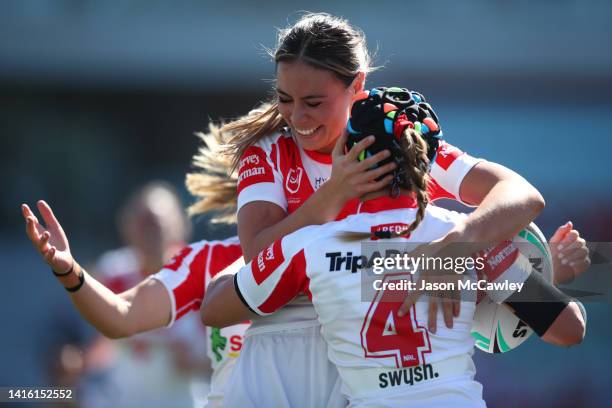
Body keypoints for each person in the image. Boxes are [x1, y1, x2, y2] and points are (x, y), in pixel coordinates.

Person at [187, 12, 587, 406]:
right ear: (417, 158)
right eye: (285, 99)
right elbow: (567, 328)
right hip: (306, 348)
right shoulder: (281, 155)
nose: (296, 117)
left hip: (332, 357)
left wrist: (460, 244)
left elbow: (521, 194)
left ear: (357, 87)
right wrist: (513, 269)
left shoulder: (312, 247)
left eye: (313, 102)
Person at [21, 180, 246, 407]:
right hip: (122, 398)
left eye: (155, 223)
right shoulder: (114, 271)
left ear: (178, 226)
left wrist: (197, 362)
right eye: (141, 223)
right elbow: (102, 341)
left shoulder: (203, 273)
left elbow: (235, 354)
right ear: (127, 227)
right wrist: (78, 364)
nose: (149, 233)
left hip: (185, 399)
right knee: (58, 397)